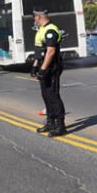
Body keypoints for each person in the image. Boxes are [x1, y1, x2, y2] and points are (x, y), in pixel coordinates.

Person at [31, 8, 66, 137]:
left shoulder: (51, 30)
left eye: (34, 17)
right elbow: (39, 52)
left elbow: (51, 51)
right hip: (44, 66)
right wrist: (35, 67)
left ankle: (60, 125)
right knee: (45, 95)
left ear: (39, 17)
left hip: (52, 67)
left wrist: (44, 69)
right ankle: (50, 122)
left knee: (53, 95)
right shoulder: (41, 30)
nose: (34, 19)